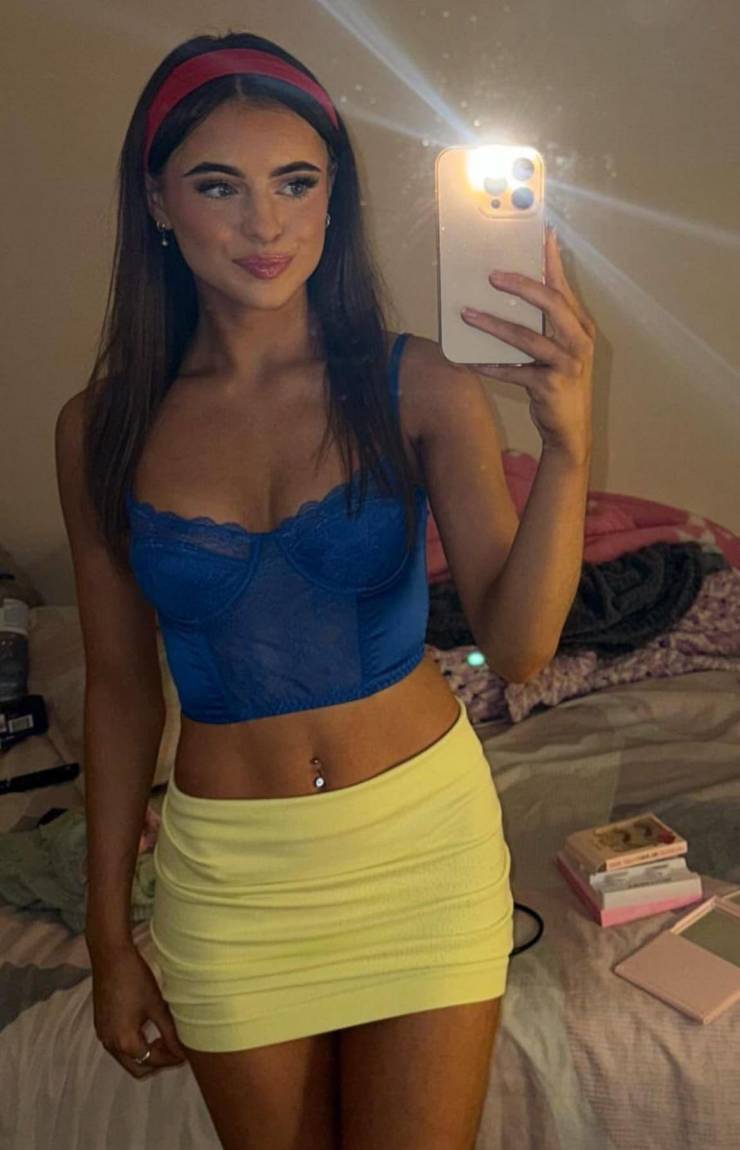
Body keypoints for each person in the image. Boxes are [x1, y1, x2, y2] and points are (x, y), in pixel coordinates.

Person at [55, 29, 595, 1150]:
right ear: (157, 202)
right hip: (232, 879)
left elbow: (519, 647)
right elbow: (119, 690)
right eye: (220, 185)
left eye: (296, 183)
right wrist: (110, 939)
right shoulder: (102, 426)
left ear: (333, 198)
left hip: (422, 849)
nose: (267, 224)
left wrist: (566, 447)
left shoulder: (417, 386)